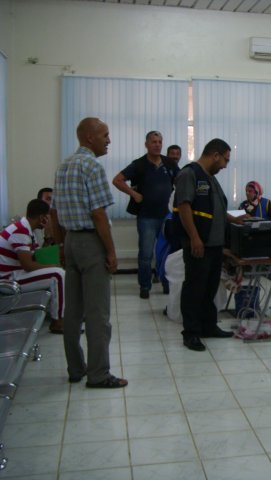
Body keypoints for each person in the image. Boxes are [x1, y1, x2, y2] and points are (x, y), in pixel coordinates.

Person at [50, 117, 127, 388]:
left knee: (73, 311)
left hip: (71, 241)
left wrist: (61, 245)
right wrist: (111, 252)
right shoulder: (92, 166)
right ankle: (98, 375)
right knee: (97, 313)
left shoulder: (63, 166)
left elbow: (53, 212)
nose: (109, 141)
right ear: (90, 138)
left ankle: (76, 368)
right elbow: (98, 214)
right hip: (90, 243)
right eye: (105, 135)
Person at [174, 138, 241, 351]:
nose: (225, 165)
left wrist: (235, 220)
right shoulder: (189, 174)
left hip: (214, 245)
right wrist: (194, 238)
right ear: (215, 155)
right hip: (199, 244)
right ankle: (191, 333)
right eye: (225, 160)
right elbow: (184, 206)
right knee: (194, 288)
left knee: (210, 288)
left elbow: (216, 209)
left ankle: (208, 326)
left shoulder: (210, 178)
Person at [112, 131, 180, 299]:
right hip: (147, 217)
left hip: (166, 217)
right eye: (154, 142)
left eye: (159, 142)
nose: (157, 145)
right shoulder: (139, 164)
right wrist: (134, 194)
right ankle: (145, 286)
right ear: (146, 144)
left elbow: (181, 181)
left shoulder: (169, 163)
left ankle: (166, 283)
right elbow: (117, 180)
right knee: (146, 254)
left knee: (166, 253)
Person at [0, 199, 65, 334]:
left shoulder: (27, 229)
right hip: (8, 279)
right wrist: (53, 266)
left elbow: (37, 257)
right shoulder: (20, 231)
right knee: (57, 274)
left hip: (15, 273)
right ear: (42, 218)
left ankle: (59, 314)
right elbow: (28, 265)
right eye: (48, 217)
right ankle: (58, 321)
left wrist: (48, 237)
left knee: (57, 271)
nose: (50, 221)